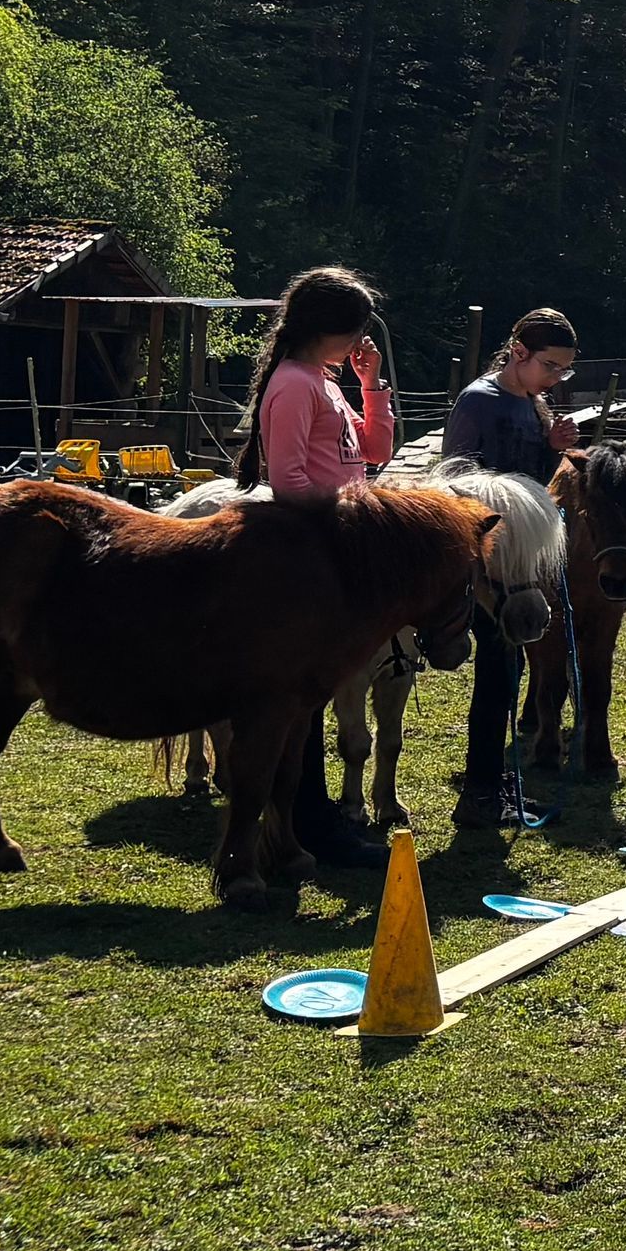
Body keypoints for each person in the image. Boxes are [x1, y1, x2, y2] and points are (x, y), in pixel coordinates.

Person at [229, 265, 398, 869]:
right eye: (355, 333)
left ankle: (310, 817)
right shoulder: (295, 384)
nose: (360, 343)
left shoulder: (324, 381)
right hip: (315, 551)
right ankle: (304, 819)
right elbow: (289, 481)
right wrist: (357, 513)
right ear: (328, 329)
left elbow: (375, 453)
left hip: (338, 546)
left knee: (316, 698)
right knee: (301, 701)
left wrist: (371, 385)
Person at [445, 309, 580, 832]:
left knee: (507, 671)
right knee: (497, 672)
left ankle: (493, 782)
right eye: (550, 366)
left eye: (564, 370)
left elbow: (532, 483)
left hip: (519, 557)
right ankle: (480, 791)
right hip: (489, 561)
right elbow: (456, 475)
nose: (555, 378)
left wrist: (553, 451)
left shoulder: (532, 403)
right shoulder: (479, 400)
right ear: (518, 352)